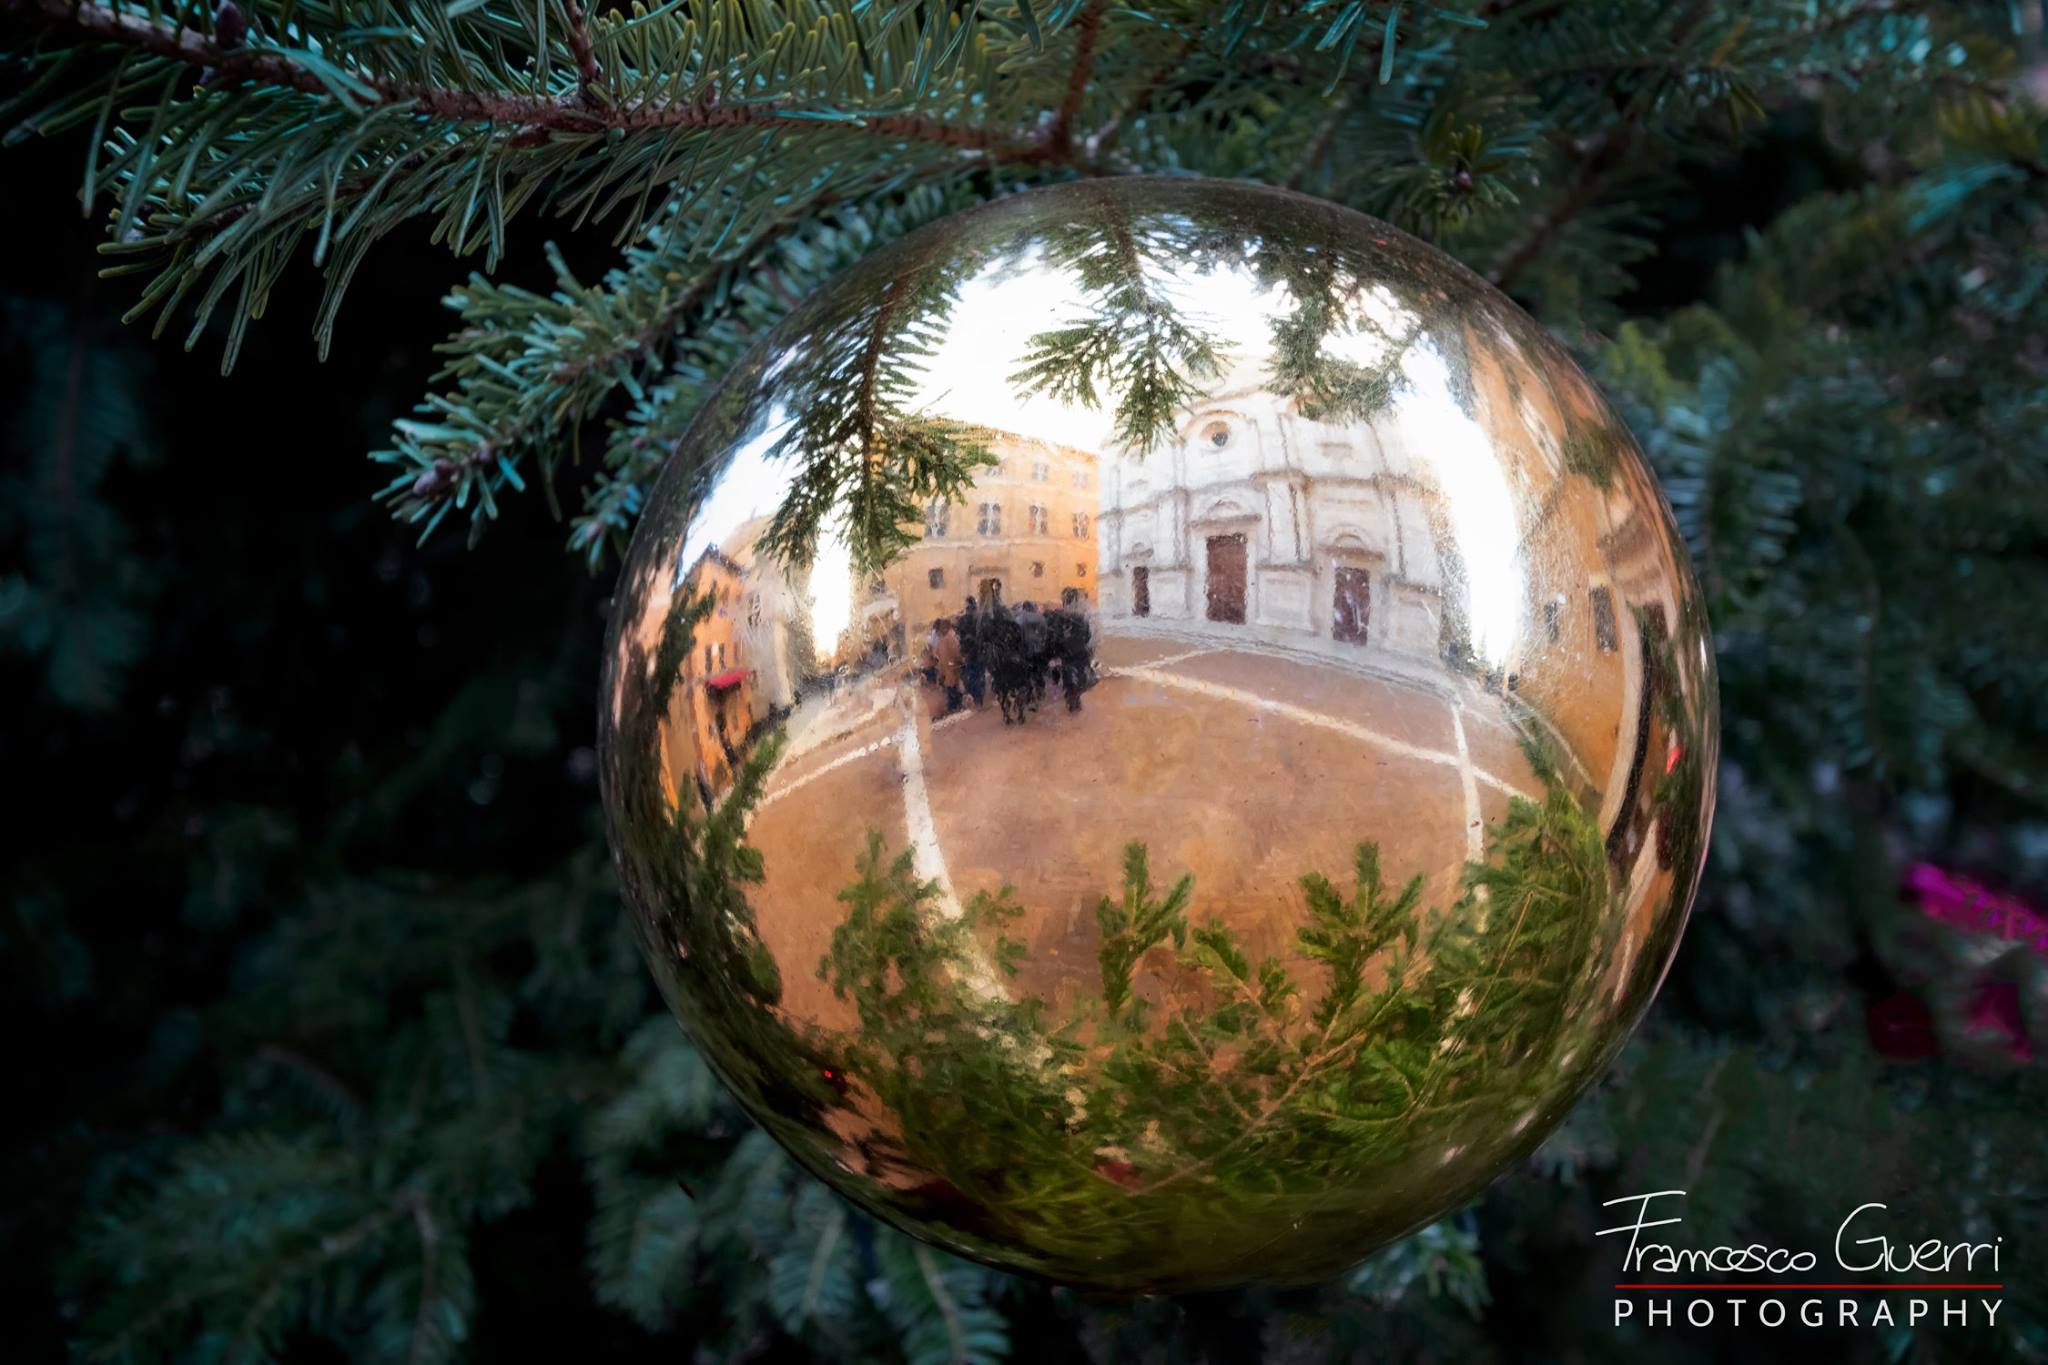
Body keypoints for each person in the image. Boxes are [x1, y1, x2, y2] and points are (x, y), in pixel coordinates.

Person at [1049, 587, 1094, 712]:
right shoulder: (1081, 617)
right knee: (1079, 678)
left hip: (1067, 654)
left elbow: (1055, 637)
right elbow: (1088, 637)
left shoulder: (1059, 617)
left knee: (1069, 679)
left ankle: (1072, 700)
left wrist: (1055, 653)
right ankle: (1075, 699)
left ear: (1064, 600)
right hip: (1080, 654)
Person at [1015, 598, 1047, 710]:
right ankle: (1040, 696)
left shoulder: (1018, 619)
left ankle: (1028, 699)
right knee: (1038, 675)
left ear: (1023, 608)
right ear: (1033, 608)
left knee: (1026, 677)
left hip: (1024, 654)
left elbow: (1016, 639)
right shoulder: (1041, 618)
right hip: (1039, 653)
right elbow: (1045, 636)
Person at [955, 595, 986, 707]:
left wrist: (963, 651)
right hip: (979, 651)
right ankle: (979, 698)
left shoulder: (962, 620)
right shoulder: (980, 618)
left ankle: (973, 695)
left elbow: (959, 637)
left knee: (971, 675)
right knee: (980, 674)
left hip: (968, 652)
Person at [931, 618, 965, 714]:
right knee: (955, 691)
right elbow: (956, 653)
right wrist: (961, 661)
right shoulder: (950, 638)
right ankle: (956, 708)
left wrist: (941, 672)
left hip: (948, 672)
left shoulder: (941, 641)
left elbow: (938, 658)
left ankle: (953, 708)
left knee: (952, 692)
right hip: (953, 670)